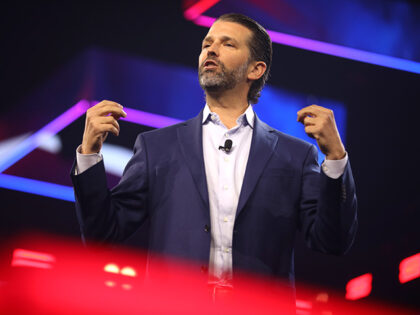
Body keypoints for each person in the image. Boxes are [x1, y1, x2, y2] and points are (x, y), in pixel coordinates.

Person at [71, 13, 357, 301]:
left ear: (255, 69)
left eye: (227, 44)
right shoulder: (156, 147)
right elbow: (102, 234)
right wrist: (89, 154)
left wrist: (335, 157)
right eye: (207, 43)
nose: (211, 49)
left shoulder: (294, 155)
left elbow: (332, 241)